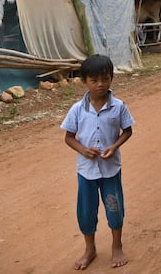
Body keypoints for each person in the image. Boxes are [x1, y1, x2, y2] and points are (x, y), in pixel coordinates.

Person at [61, 54, 134, 270]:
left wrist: (114, 146)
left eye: (105, 78)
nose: (100, 84)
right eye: (94, 80)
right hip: (86, 171)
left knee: (114, 207)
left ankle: (117, 245)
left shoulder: (119, 106)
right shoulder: (77, 109)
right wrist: (83, 150)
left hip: (110, 170)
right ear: (84, 81)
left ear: (111, 78)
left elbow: (127, 131)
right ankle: (89, 248)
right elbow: (68, 137)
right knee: (86, 210)